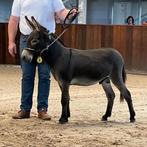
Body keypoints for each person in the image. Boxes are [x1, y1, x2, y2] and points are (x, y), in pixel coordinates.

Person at [8, 0, 77, 120]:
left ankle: (42, 109)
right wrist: (11, 41)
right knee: (27, 75)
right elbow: (14, 19)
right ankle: (25, 109)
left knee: (44, 76)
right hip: (27, 40)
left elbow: (61, 12)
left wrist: (69, 13)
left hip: (46, 41)